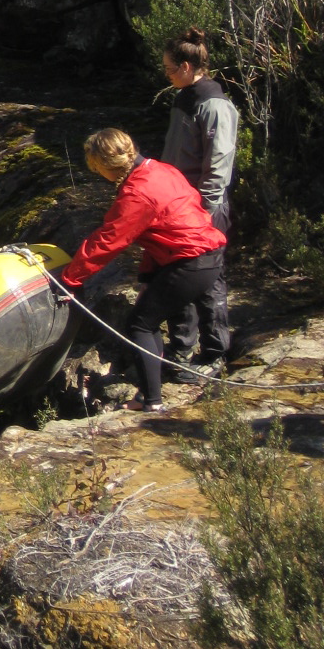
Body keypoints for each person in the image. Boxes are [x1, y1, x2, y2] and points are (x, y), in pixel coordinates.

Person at [59, 128, 226, 414]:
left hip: (190, 262)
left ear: (106, 164)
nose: (98, 174)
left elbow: (109, 240)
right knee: (150, 317)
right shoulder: (160, 170)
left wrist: (70, 279)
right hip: (206, 256)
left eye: (96, 168)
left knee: (140, 325)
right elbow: (161, 231)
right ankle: (152, 391)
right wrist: (148, 277)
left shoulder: (137, 193)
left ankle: (151, 401)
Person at [161, 27, 238, 375]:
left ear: (187, 66)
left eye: (170, 69)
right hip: (177, 206)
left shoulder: (215, 106)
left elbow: (218, 167)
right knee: (177, 277)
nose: (166, 74)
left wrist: (203, 211)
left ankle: (214, 353)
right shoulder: (183, 99)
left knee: (208, 280)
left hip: (204, 209)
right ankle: (180, 351)